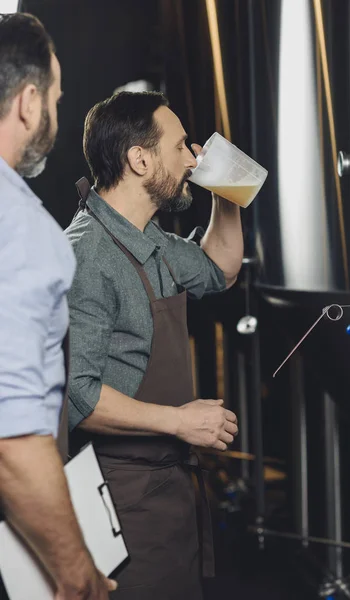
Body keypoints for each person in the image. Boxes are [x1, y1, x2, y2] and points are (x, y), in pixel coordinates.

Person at [65, 91, 243, 600]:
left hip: (170, 491)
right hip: (120, 499)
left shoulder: (152, 240)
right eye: (182, 146)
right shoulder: (87, 255)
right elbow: (78, 395)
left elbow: (219, 271)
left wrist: (226, 190)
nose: (193, 158)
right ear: (140, 159)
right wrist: (181, 422)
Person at [0, 13, 115, 599]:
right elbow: (13, 436)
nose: (56, 115)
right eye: (55, 99)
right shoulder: (20, 227)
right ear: (27, 102)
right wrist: (77, 576)